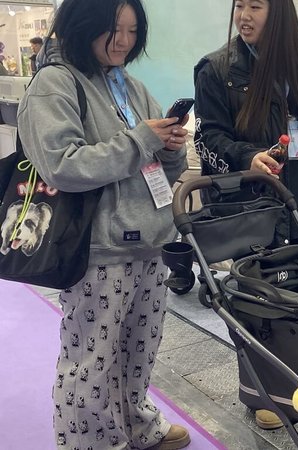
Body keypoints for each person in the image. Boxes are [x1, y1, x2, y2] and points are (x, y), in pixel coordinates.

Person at [16, 0, 191, 448]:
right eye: (115, 30)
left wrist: (169, 147)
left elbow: (163, 168)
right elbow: (61, 165)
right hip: (97, 249)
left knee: (139, 353)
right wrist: (142, 139)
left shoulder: (129, 85)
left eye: (133, 32)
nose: (124, 42)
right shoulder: (53, 85)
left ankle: (137, 424)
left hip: (149, 242)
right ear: (83, 24)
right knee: (90, 363)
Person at [193, 0, 298, 430]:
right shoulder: (216, 69)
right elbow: (208, 137)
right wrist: (246, 157)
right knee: (261, 299)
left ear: (280, 12)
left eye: (256, 6)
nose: (244, 15)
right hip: (258, 201)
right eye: (239, 5)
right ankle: (263, 387)